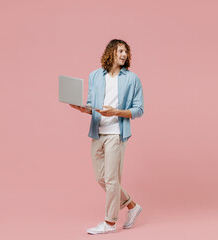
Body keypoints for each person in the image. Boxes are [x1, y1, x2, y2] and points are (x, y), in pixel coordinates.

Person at [70, 39, 144, 235]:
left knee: (111, 179)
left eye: (126, 52)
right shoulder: (95, 76)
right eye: (120, 51)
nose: (124, 55)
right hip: (97, 132)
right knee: (101, 178)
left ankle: (109, 223)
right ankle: (132, 206)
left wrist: (116, 112)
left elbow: (138, 110)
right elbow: (92, 105)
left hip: (117, 134)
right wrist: (82, 109)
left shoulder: (132, 79)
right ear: (111, 52)